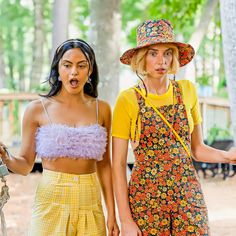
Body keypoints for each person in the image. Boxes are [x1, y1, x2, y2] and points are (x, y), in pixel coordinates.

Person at [112, 19, 236, 236]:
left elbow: (197, 149)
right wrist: (126, 220)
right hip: (146, 199)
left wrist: (227, 157)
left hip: (187, 195)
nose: (162, 61)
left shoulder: (188, 90)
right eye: (153, 53)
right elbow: (118, 164)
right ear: (142, 58)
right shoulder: (128, 100)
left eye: (167, 53)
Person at [0, 38, 119, 236]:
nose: (74, 72)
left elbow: (105, 165)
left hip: (90, 202)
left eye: (81, 66)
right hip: (50, 202)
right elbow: (25, 164)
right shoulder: (37, 109)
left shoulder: (103, 109)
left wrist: (112, 214)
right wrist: (6, 156)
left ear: (90, 71)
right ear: (58, 69)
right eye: (67, 65)